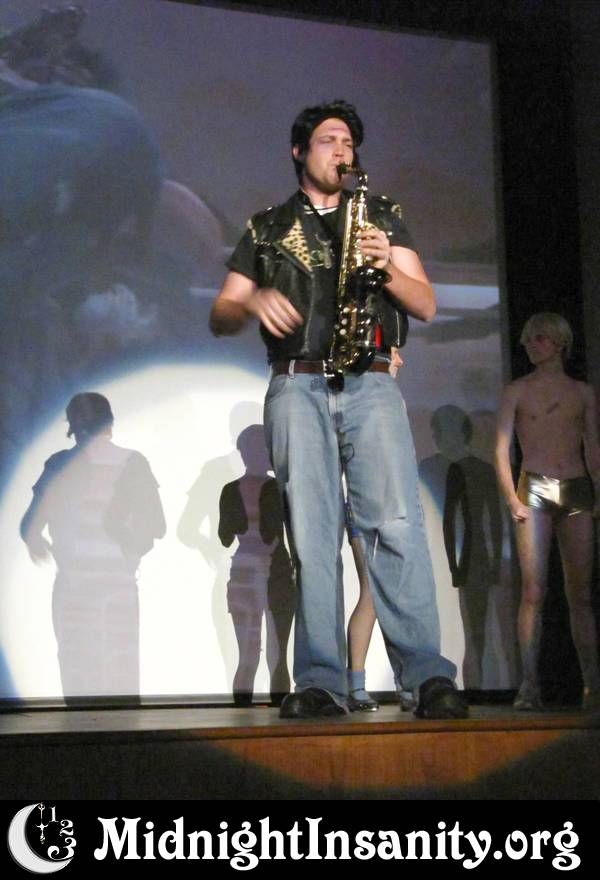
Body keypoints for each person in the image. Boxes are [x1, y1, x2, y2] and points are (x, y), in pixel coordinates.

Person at [210, 99, 467, 719]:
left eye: (349, 142)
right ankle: (321, 681)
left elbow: (426, 304)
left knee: (395, 526)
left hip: (370, 383)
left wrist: (385, 269)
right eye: (329, 140)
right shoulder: (267, 226)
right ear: (299, 152)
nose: (342, 150)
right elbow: (221, 312)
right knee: (312, 534)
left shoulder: (381, 215)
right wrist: (252, 301)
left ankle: (426, 676)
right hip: (296, 384)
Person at [20, 392, 166, 702]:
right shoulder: (133, 463)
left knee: (77, 677)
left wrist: (40, 543)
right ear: (109, 423)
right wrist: (128, 548)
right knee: (122, 675)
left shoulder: (59, 465)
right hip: (119, 586)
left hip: (74, 586)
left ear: (73, 425)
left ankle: (80, 733)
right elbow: (157, 527)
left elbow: (30, 525)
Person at [495, 313, 600, 710]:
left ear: (558, 342)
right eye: (527, 339)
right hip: (535, 487)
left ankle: (592, 685)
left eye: (537, 338)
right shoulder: (517, 391)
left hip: (576, 487)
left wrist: (598, 491)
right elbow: (500, 448)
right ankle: (529, 685)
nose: (529, 345)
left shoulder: (583, 393)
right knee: (533, 591)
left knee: (580, 594)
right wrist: (511, 497)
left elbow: (593, 446)